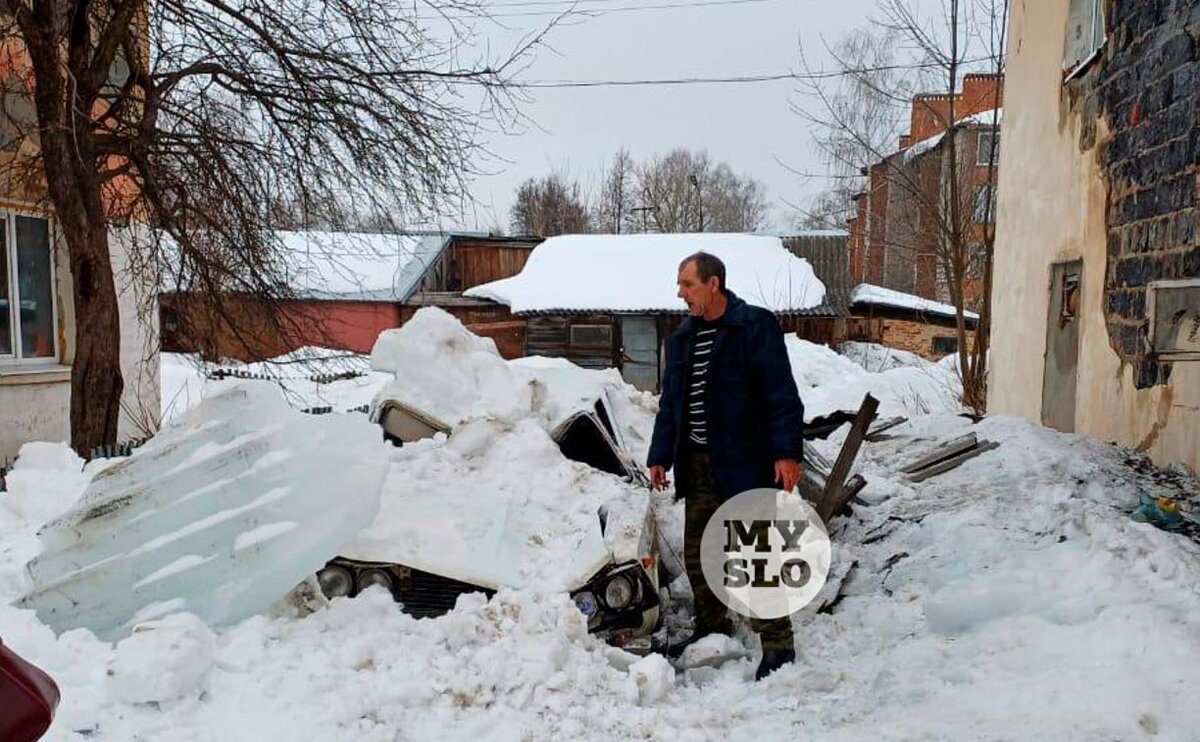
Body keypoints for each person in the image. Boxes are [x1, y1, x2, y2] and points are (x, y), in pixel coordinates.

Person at [648, 251, 805, 681]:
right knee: (703, 553)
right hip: (697, 464)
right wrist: (660, 454)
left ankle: (777, 644)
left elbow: (781, 394)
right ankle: (712, 627)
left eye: (687, 284)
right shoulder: (682, 338)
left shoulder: (753, 326)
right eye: (680, 285)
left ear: (712, 284)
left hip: (745, 461)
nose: (680, 293)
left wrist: (787, 453)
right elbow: (671, 405)